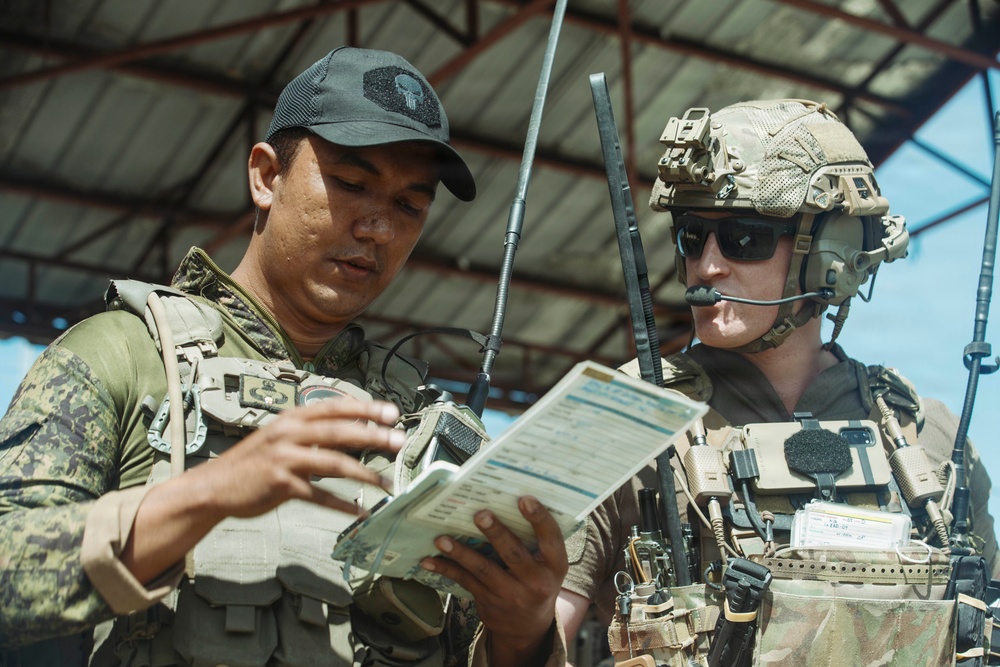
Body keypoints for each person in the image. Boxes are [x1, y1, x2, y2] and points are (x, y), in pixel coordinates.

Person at [0, 46, 567, 667]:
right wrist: (205, 495)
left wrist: (523, 633)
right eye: (352, 184)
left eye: (410, 205)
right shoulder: (125, 355)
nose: (378, 228)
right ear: (266, 177)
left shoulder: (423, 436)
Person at [556, 99, 999, 666]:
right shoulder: (625, 414)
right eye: (692, 236)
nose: (707, 266)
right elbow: (527, 631)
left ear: (832, 251)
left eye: (744, 238)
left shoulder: (926, 438)